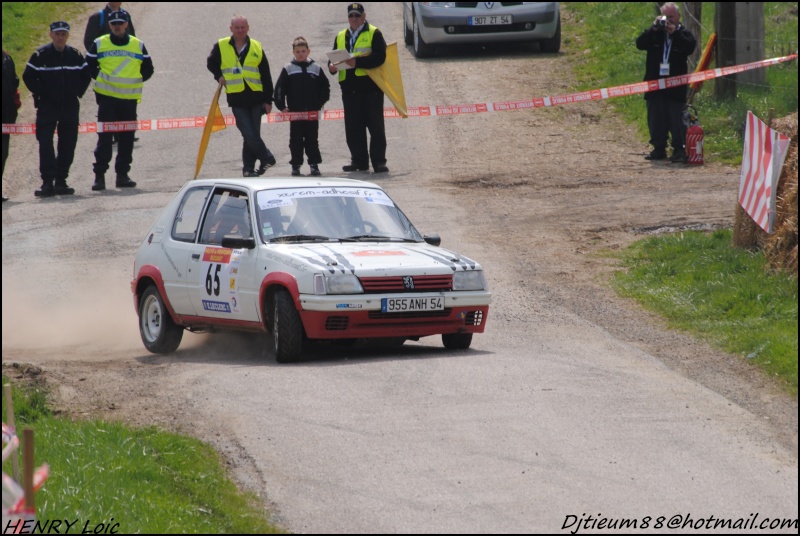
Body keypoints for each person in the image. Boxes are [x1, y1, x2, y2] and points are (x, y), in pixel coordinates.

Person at [23, 21, 91, 198]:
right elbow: (28, 77)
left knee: (68, 144)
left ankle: (61, 181)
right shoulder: (40, 55)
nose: (60, 37)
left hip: (69, 107)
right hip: (47, 107)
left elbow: (86, 75)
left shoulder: (75, 55)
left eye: (63, 34)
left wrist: (77, 92)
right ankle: (47, 182)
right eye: (57, 34)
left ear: (67, 36)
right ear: (51, 35)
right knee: (45, 143)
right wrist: (42, 94)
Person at [86, 11, 153, 190]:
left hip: (128, 100)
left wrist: (135, 80)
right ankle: (99, 177)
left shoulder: (137, 45)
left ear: (126, 25)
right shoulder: (100, 43)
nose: (117, 26)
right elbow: (89, 65)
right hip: (107, 100)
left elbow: (148, 68)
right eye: (114, 23)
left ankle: (122, 175)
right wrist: (100, 78)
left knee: (127, 139)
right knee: (105, 139)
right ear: (109, 25)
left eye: (120, 23)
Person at [207, 16, 277, 177]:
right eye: (237, 27)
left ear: (248, 28)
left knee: (251, 135)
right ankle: (267, 157)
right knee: (247, 132)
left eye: (243, 27)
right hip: (236, 98)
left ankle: (248, 169)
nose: (240, 30)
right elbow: (211, 63)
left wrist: (268, 100)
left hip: (256, 97)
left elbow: (265, 75)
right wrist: (219, 76)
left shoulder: (256, 46)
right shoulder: (222, 45)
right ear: (231, 28)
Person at [328, 3, 389, 174]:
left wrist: (358, 62)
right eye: (351, 16)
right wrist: (331, 67)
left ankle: (379, 162)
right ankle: (359, 160)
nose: (354, 19)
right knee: (353, 127)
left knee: (375, 126)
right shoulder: (341, 35)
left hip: (371, 88)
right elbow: (333, 56)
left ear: (363, 16)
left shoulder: (374, 33)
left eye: (357, 15)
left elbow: (380, 57)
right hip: (349, 89)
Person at [635, 2, 696, 163]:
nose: (667, 21)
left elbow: (689, 47)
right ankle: (658, 148)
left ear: (678, 17)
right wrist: (653, 28)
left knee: (676, 118)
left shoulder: (683, 33)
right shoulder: (655, 34)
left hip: (675, 87)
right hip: (655, 85)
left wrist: (674, 33)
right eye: (664, 17)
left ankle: (679, 149)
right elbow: (640, 44)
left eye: (671, 17)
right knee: (656, 118)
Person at [274, 37, 330, 177]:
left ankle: (314, 165)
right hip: (295, 113)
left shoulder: (316, 68)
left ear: (308, 51)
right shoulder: (288, 69)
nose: (300, 54)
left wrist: (321, 103)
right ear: (293, 52)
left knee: (312, 139)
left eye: (303, 51)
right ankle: (296, 165)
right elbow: (280, 89)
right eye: (298, 51)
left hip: (312, 113)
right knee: (296, 140)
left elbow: (325, 87)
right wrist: (282, 106)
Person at [2, 48, 21, 202]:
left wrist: (15, 104)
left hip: (4, 116)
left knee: (3, 153)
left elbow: (14, 84)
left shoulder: (7, 59)